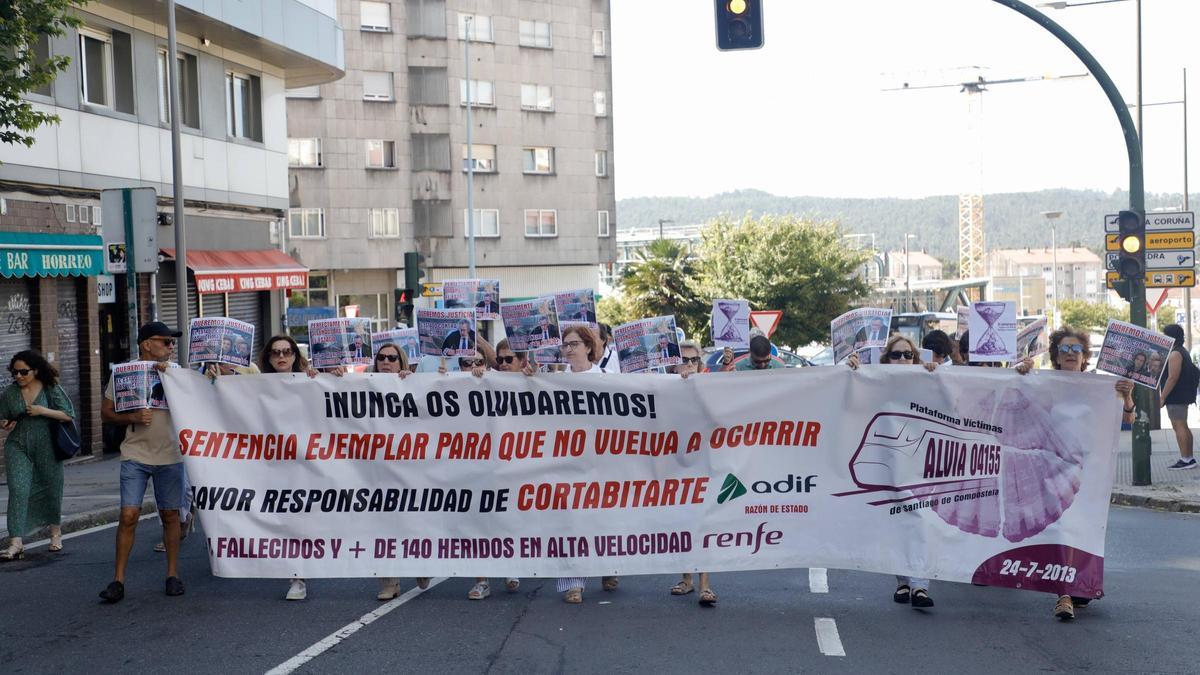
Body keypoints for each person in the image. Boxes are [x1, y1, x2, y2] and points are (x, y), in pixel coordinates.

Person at [1038, 326, 1134, 620]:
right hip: (1054, 473)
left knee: (1081, 530)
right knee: (1061, 529)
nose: (1070, 354)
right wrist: (1021, 373)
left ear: (1084, 356)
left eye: (1076, 349)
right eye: (1064, 349)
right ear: (1056, 356)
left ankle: (1077, 585)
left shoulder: (1100, 387)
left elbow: (1127, 423)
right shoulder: (1043, 384)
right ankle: (1063, 595)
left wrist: (1127, 398)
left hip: (1089, 476)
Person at [847, 335, 939, 610]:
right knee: (897, 520)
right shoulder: (877, 383)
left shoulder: (926, 381)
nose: (902, 359)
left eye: (908, 355)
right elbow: (853, 403)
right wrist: (852, 372)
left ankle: (920, 585)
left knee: (920, 520)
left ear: (915, 358)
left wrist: (937, 376)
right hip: (886, 463)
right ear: (886, 359)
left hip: (920, 464)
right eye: (896, 355)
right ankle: (902, 581)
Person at [99, 322, 187, 603]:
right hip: (135, 454)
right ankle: (118, 580)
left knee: (170, 514)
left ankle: (172, 575)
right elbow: (105, 413)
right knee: (128, 515)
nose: (171, 346)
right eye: (165, 341)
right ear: (147, 344)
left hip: (171, 454)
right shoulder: (124, 373)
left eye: (172, 342)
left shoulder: (178, 373)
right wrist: (132, 417)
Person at [551, 325, 617, 603]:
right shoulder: (554, 380)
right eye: (565, 344)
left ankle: (608, 567)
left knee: (602, 518)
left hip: (602, 458)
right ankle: (573, 583)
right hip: (567, 459)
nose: (568, 349)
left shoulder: (607, 378)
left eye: (574, 344)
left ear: (589, 347)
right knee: (570, 521)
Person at [0, 350, 76, 561]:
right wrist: (4, 424)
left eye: (23, 372)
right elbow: (3, 417)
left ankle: (55, 532)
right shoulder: (10, 393)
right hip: (18, 445)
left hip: (48, 446)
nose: (18, 376)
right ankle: (15, 543)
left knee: (52, 487)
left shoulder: (50, 388)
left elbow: (68, 414)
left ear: (35, 370)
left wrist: (42, 410)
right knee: (18, 490)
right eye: (15, 372)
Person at [670, 339, 717, 606]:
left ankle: (705, 586)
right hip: (674, 464)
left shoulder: (710, 386)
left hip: (704, 462)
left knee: (703, 522)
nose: (689, 365)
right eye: (684, 360)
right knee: (681, 522)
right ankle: (686, 580)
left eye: (694, 360)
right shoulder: (662, 387)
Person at [1159, 324, 1198, 470]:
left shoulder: (1175, 353)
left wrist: (1162, 397)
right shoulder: (1182, 351)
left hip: (1176, 396)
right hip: (1182, 395)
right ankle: (1189, 457)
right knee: (1183, 425)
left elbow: (1172, 377)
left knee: (1179, 425)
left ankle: (1186, 458)